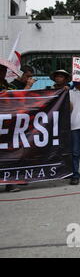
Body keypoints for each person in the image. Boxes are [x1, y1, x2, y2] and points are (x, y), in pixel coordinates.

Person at [1, 64, 21, 192]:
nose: (2, 73)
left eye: (3, 70)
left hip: (8, 126)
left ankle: (10, 181)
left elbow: (21, 97)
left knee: (9, 153)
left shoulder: (9, 87)